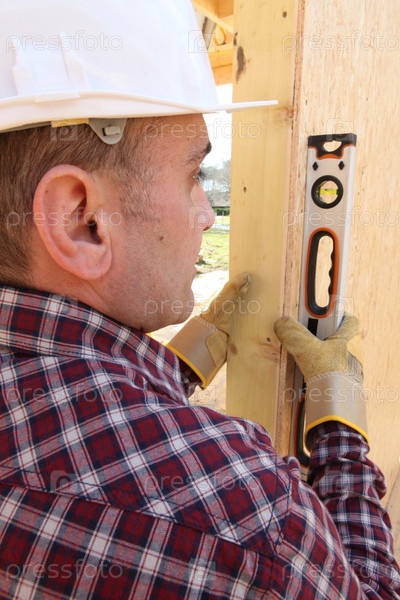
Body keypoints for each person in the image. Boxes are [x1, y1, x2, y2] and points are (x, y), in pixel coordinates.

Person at [0, 1, 399, 598]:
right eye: (194, 175)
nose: (208, 214)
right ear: (83, 220)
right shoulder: (254, 522)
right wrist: (340, 426)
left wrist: (190, 356)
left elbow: (88, 426)